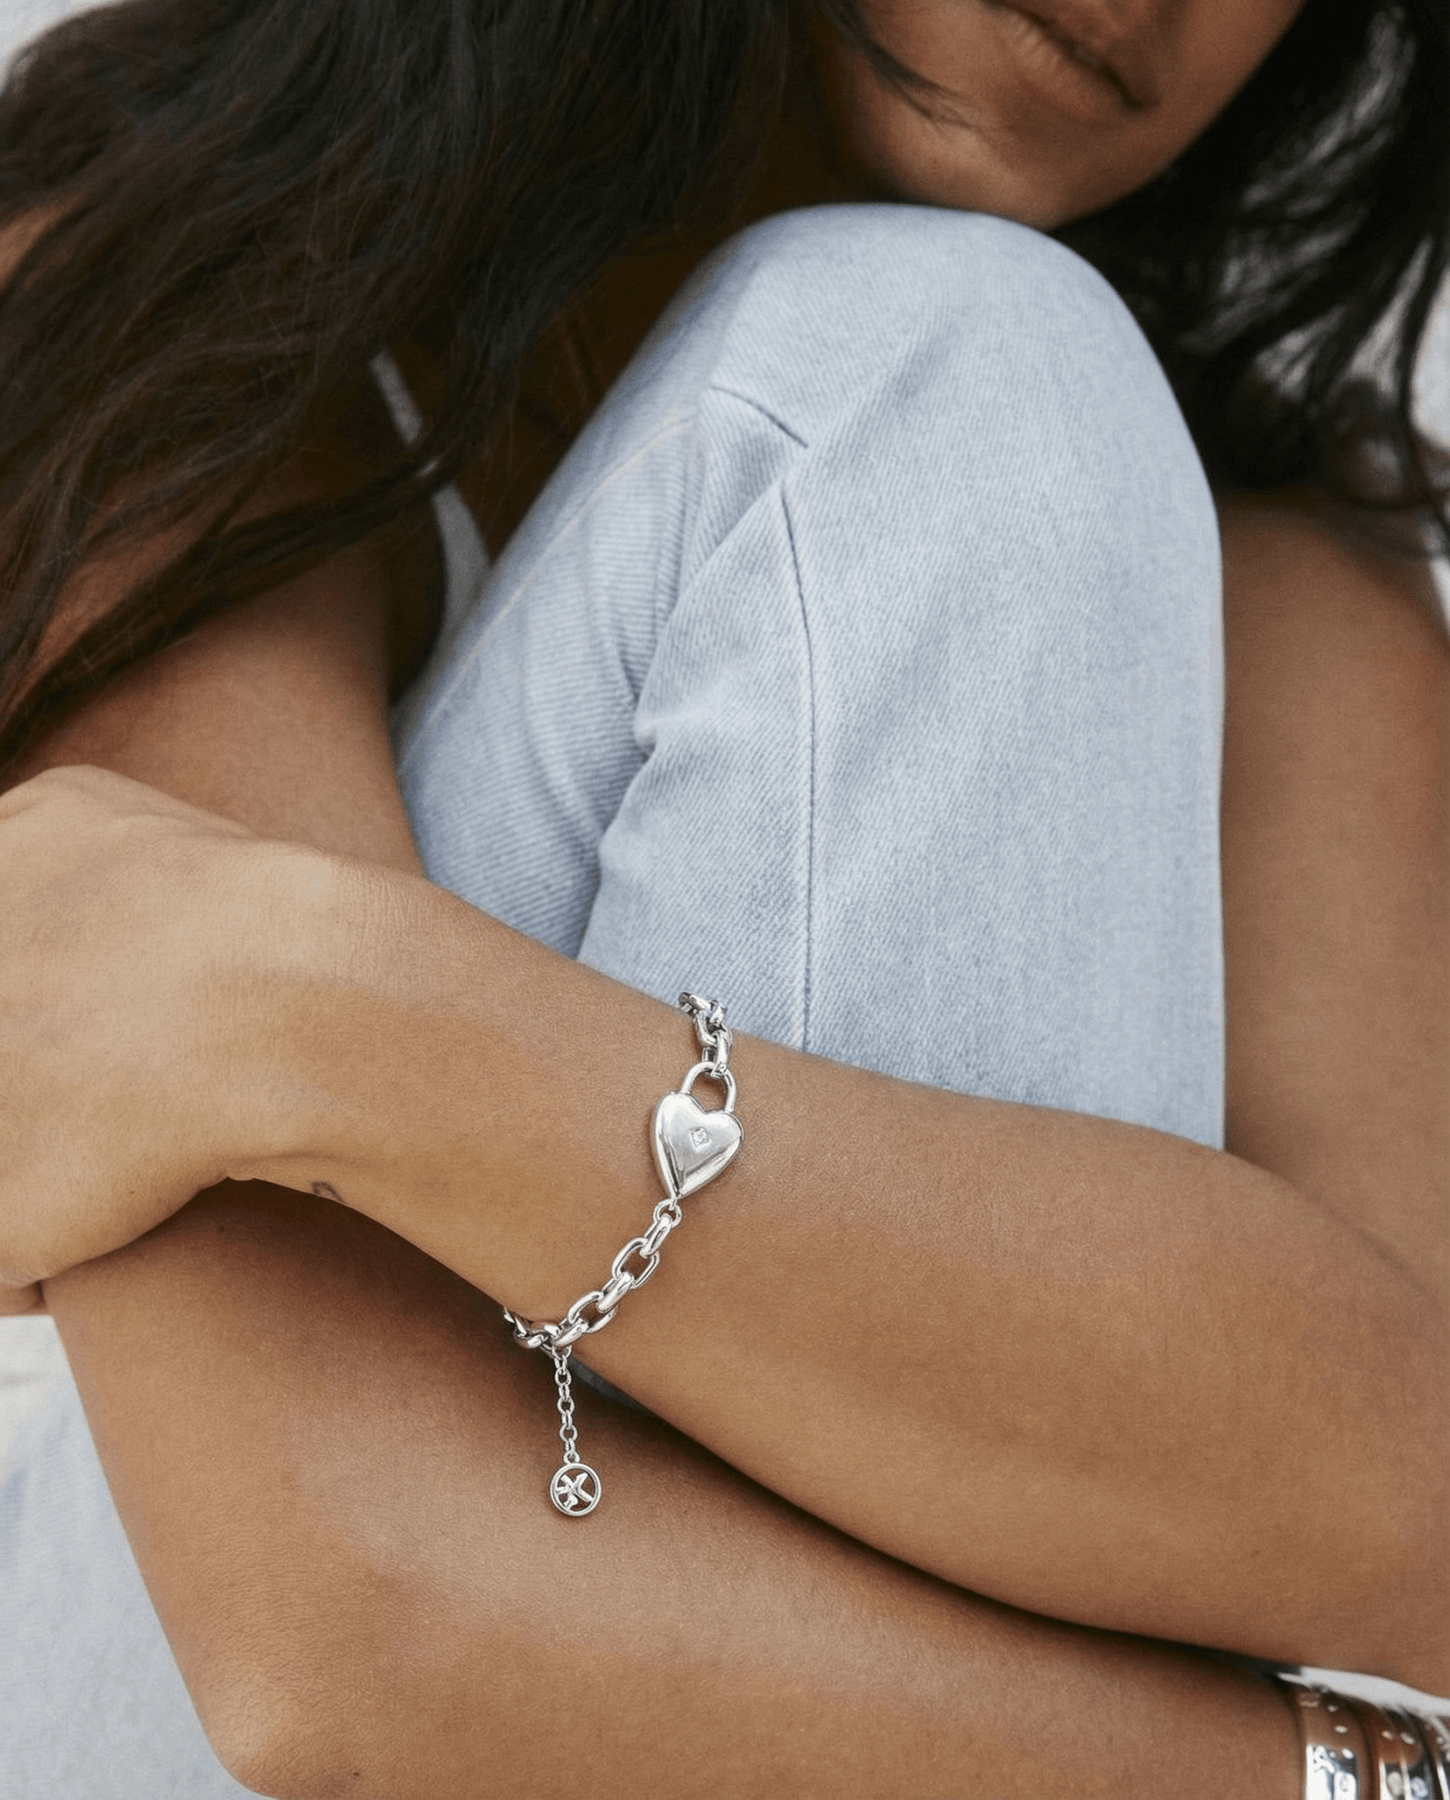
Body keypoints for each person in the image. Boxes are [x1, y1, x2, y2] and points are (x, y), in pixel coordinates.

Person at [0, 0, 1448, 1794]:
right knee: (951, 360)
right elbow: (361, 1627)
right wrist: (1337, 1782)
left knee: (984, 376)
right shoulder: (175, 308)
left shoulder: (1298, 589)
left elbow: (1409, 1518)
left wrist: (335, 1006)